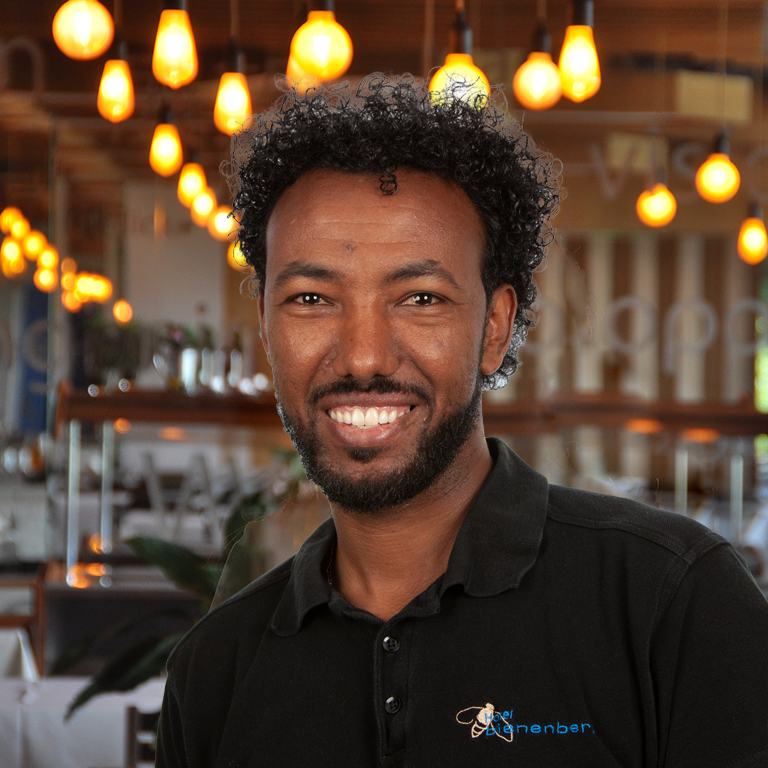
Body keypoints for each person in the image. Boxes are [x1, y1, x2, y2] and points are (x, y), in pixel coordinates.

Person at [155, 74, 768, 767]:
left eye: (420, 297)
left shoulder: (672, 603)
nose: (362, 355)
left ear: (494, 328)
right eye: (311, 298)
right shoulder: (214, 673)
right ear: (265, 326)